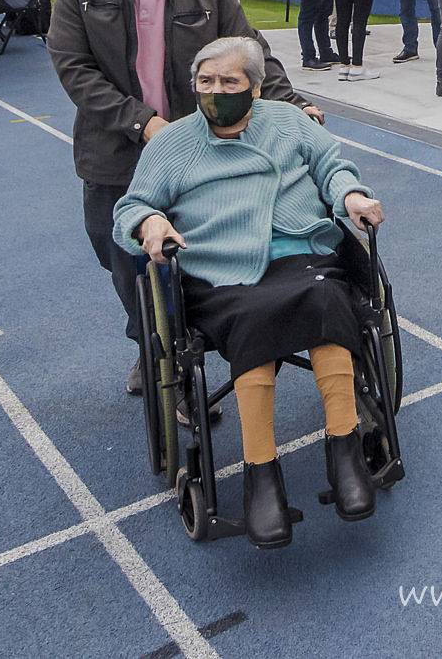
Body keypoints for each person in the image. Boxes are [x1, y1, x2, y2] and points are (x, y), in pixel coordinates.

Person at [47, 0, 322, 392]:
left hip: (197, 151)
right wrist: (142, 122)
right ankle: (150, 345)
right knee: (122, 255)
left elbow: (251, 51)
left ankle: (195, 339)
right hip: (113, 152)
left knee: (203, 247)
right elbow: (74, 69)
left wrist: (294, 103)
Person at [115, 37, 386, 547]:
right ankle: (261, 474)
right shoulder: (172, 143)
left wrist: (349, 193)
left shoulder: (287, 122)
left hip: (299, 252)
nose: (216, 92)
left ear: (256, 88)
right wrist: (149, 221)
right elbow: (130, 207)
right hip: (220, 268)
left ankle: (344, 449)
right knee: (252, 314)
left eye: (230, 82)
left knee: (328, 298)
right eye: (206, 82)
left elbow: (332, 167)